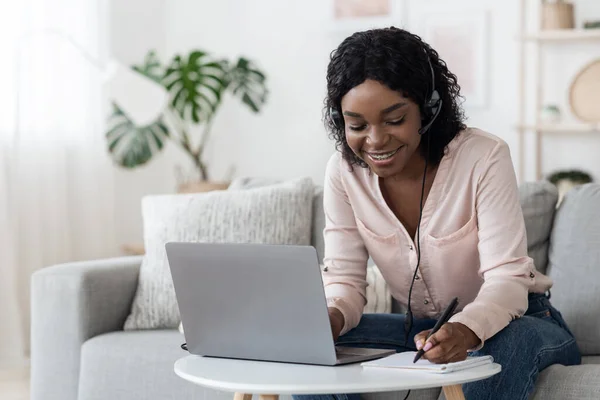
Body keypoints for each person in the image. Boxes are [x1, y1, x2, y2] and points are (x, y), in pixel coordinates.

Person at [293, 27, 581, 400]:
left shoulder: (484, 156)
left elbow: (508, 281)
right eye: (358, 125)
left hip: (524, 322)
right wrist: (327, 321)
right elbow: (345, 281)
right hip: (422, 331)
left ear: (428, 110)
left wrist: (466, 329)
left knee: (510, 341)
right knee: (307, 352)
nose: (375, 140)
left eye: (394, 120)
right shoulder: (343, 173)